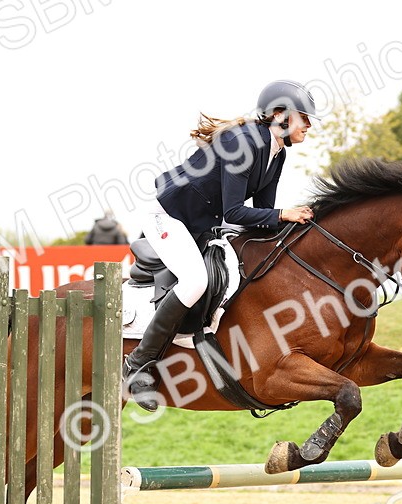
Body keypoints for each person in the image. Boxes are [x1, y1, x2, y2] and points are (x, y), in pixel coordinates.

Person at [123, 80, 319, 410]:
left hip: (203, 223)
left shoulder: (277, 153)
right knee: (196, 280)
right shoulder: (243, 142)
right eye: (304, 117)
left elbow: (261, 214)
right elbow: (234, 211)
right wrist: (285, 213)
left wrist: (286, 225)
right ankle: (137, 365)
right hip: (168, 217)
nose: (310, 126)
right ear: (279, 116)